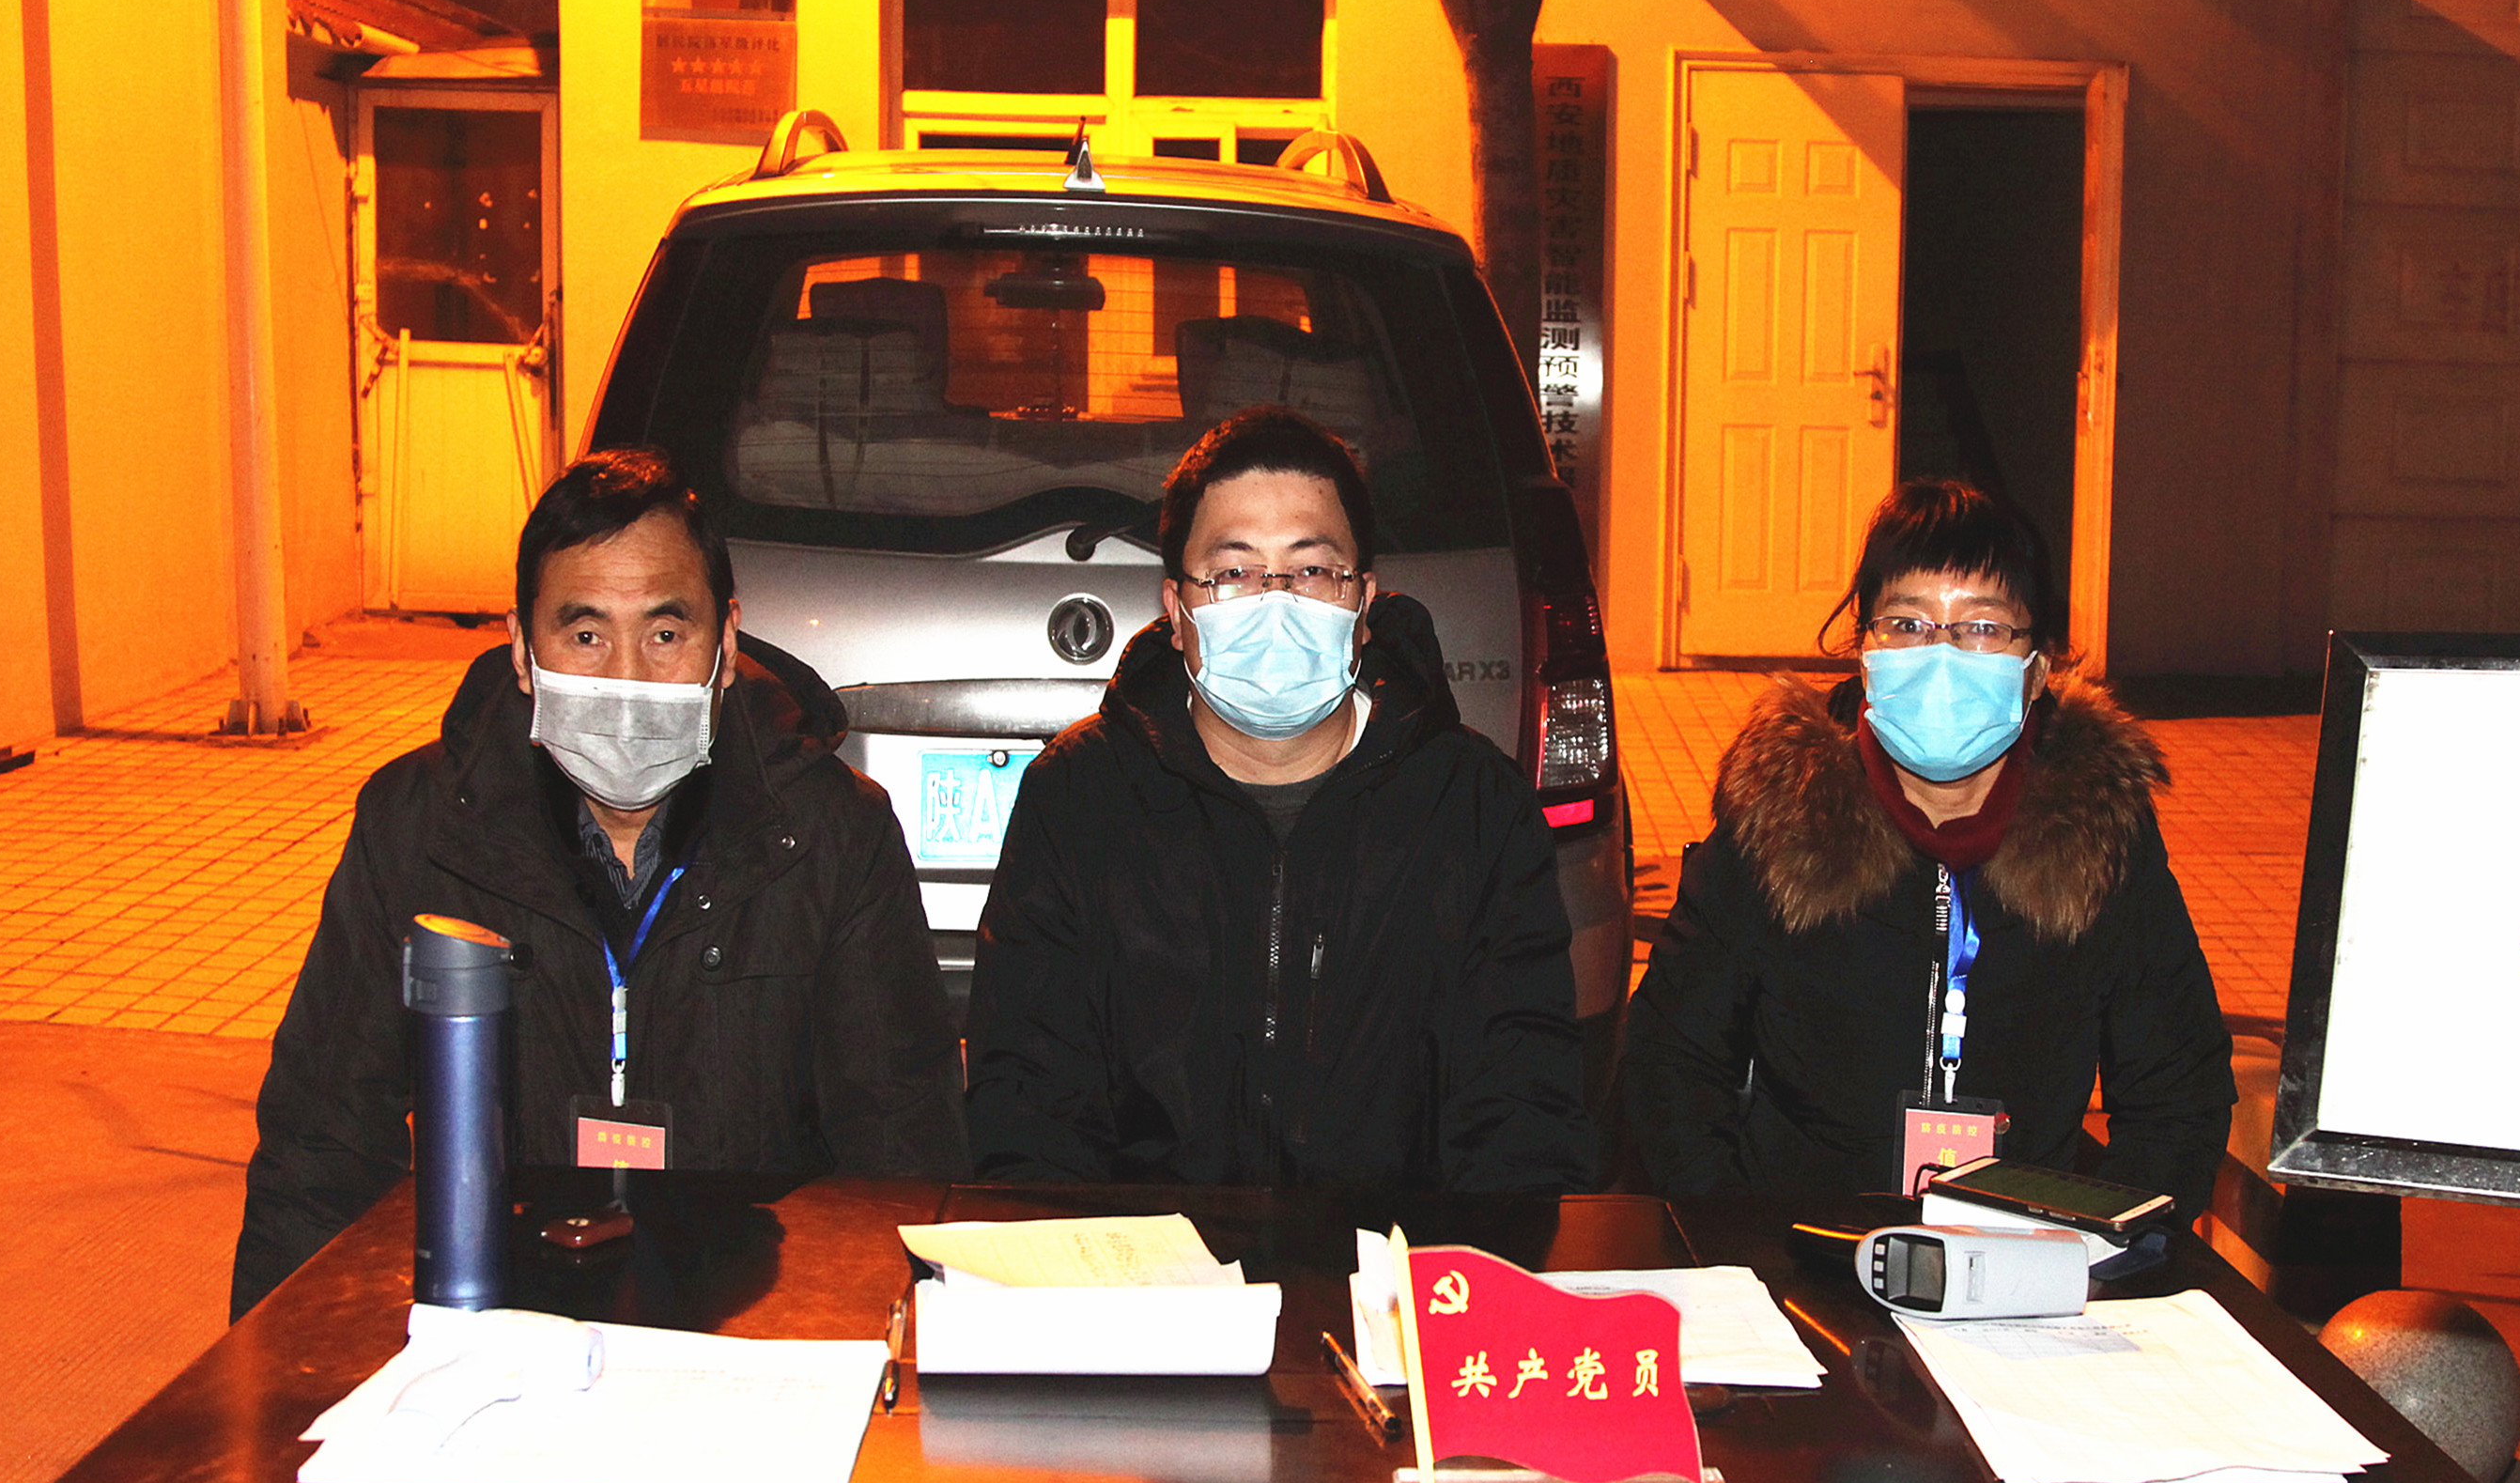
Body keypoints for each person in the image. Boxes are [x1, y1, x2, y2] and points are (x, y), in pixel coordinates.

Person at [230, 450, 965, 1317]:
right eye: (585, 636)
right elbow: (322, 1143)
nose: (625, 679)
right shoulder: (420, 829)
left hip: (756, 1326)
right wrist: (283, 1362)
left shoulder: (833, 835)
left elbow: (901, 1152)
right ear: (521, 649)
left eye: (665, 634)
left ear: (726, 643)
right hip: (499, 1321)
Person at [966, 405, 1590, 1189]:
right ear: (1176, 613)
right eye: (1233, 573)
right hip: (1146, 1256)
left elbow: (1522, 1112)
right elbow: (1028, 1101)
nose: (1275, 601)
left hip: (1393, 1258)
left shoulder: (1474, 808)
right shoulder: (1079, 796)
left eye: (1312, 570)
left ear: (1363, 606)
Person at [1625, 478, 2235, 1205]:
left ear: (2036, 669)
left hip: (2022, 1248)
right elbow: (1671, 1059)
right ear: (1864, 651)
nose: (1940, 654)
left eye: (1981, 627)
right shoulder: (1782, 818)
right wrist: (1737, 1234)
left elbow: (2178, 1090)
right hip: (1800, 1239)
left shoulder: (2099, 834)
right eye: (1907, 623)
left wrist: (2094, 1243)